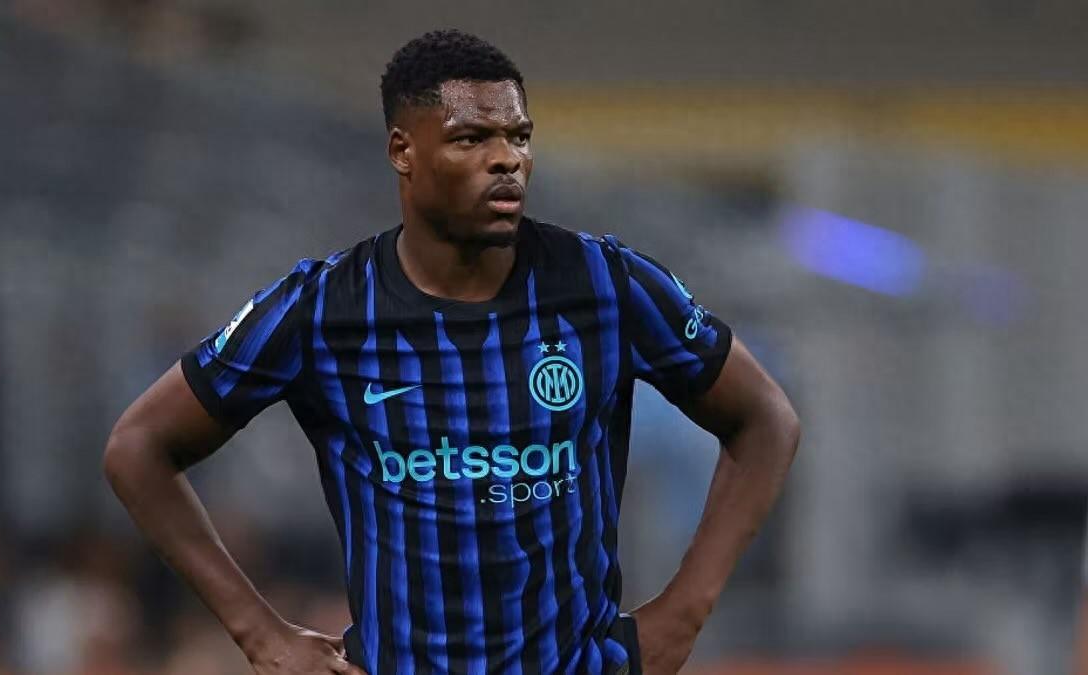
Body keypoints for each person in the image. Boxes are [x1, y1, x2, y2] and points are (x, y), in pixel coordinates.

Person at [104, 28, 800, 675]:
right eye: (471, 138)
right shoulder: (324, 307)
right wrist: (260, 633)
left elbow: (766, 418)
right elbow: (138, 447)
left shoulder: (604, 284)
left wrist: (686, 609)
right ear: (402, 151)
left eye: (519, 136)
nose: (507, 159)